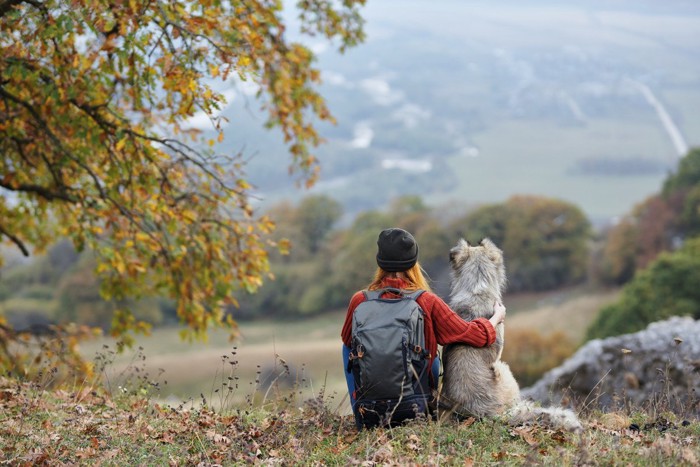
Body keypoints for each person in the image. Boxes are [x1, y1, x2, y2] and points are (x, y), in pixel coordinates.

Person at [341, 227, 506, 423]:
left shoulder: (359, 300)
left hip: (370, 414)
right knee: (431, 349)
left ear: (380, 262)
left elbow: (347, 340)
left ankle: (360, 412)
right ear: (413, 263)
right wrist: (496, 317)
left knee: (348, 348)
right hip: (414, 411)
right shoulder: (427, 301)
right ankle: (425, 405)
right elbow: (474, 335)